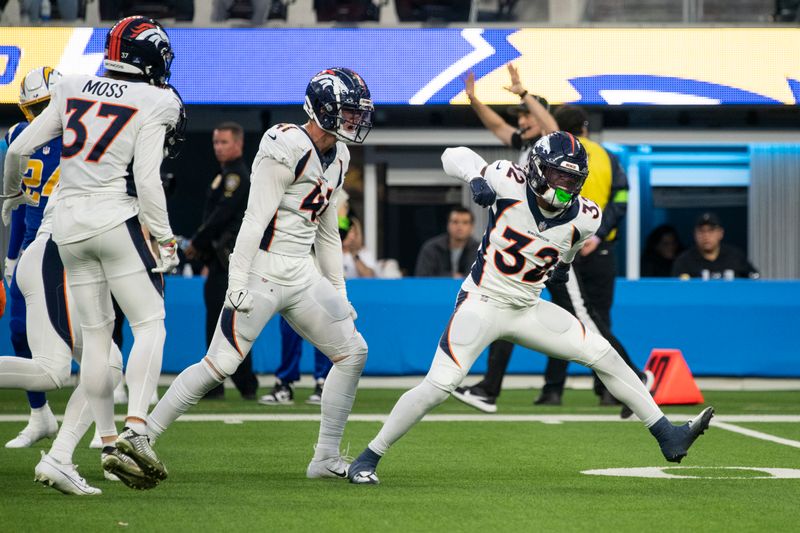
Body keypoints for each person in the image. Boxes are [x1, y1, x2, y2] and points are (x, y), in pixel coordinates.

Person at [346, 132, 714, 485]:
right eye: (556, 175)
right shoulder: (507, 180)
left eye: (572, 180)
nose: (562, 186)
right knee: (439, 386)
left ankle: (667, 434)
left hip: (527, 308)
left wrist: (564, 265)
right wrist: (475, 177)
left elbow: (567, 252)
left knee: (604, 354)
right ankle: (368, 457)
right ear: (537, 168)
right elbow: (452, 154)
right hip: (483, 302)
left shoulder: (587, 216)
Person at [142, 67, 374, 487]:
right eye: (347, 113)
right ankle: (141, 436)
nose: (354, 121)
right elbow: (253, 219)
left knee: (353, 351)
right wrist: (237, 280)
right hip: (263, 267)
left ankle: (325, 457)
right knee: (219, 364)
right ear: (322, 110)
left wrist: (338, 289)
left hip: (301, 271)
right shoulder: (284, 143)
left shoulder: (340, 156)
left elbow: (325, 230)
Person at [2, 16, 183, 489]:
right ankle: (137, 428)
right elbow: (146, 182)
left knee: (100, 343)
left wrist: (10, 198)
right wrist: (164, 239)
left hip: (66, 231)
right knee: (149, 323)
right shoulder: (158, 98)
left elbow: (17, 149)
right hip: (113, 218)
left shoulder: (72, 84)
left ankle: (104, 442)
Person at [0, 67, 62, 448]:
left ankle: (107, 427)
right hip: (32, 246)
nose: (39, 117)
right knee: (19, 330)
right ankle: (39, 414)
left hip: (71, 243)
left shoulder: (82, 136)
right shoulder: (18, 137)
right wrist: (10, 256)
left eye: (46, 106)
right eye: (34, 108)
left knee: (88, 339)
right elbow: (19, 204)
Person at [185, 122, 259, 400]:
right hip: (218, 260)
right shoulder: (225, 174)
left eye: (224, 142)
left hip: (228, 262)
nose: (218, 147)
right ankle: (224, 383)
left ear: (239, 144)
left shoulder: (236, 176)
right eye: (216, 142)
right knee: (222, 321)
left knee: (226, 322)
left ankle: (238, 383)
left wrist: (197, 242)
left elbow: (221, 217)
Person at [672, 213, 758, 279]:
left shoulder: (735, 256)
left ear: (720, 233)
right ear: (695, 234)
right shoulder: (684, 261)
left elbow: (754, 279)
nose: (706, 236)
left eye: (711, 231)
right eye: (701, 231)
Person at [414, 207, 478, 278]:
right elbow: (422, 276)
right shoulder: (431, 248)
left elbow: (481, 277)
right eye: (455, 222)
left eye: (465, 223)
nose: (460, 226)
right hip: (436, 288)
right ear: (448, 225)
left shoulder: (480, 249)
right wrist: (451, 277)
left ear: (472, 227)